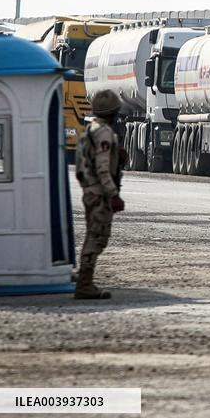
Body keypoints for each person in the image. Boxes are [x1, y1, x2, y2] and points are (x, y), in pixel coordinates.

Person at [74, 90, 126, 299]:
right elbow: (103, 168)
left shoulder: (89, 131)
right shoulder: (103, 133)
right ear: (113, 113)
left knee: (92, 236)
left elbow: (81, 168)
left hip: (90, 191)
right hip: (99, 194)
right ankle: (84, 284)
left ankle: (84, 281)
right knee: (97, 238)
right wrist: (112, 194)